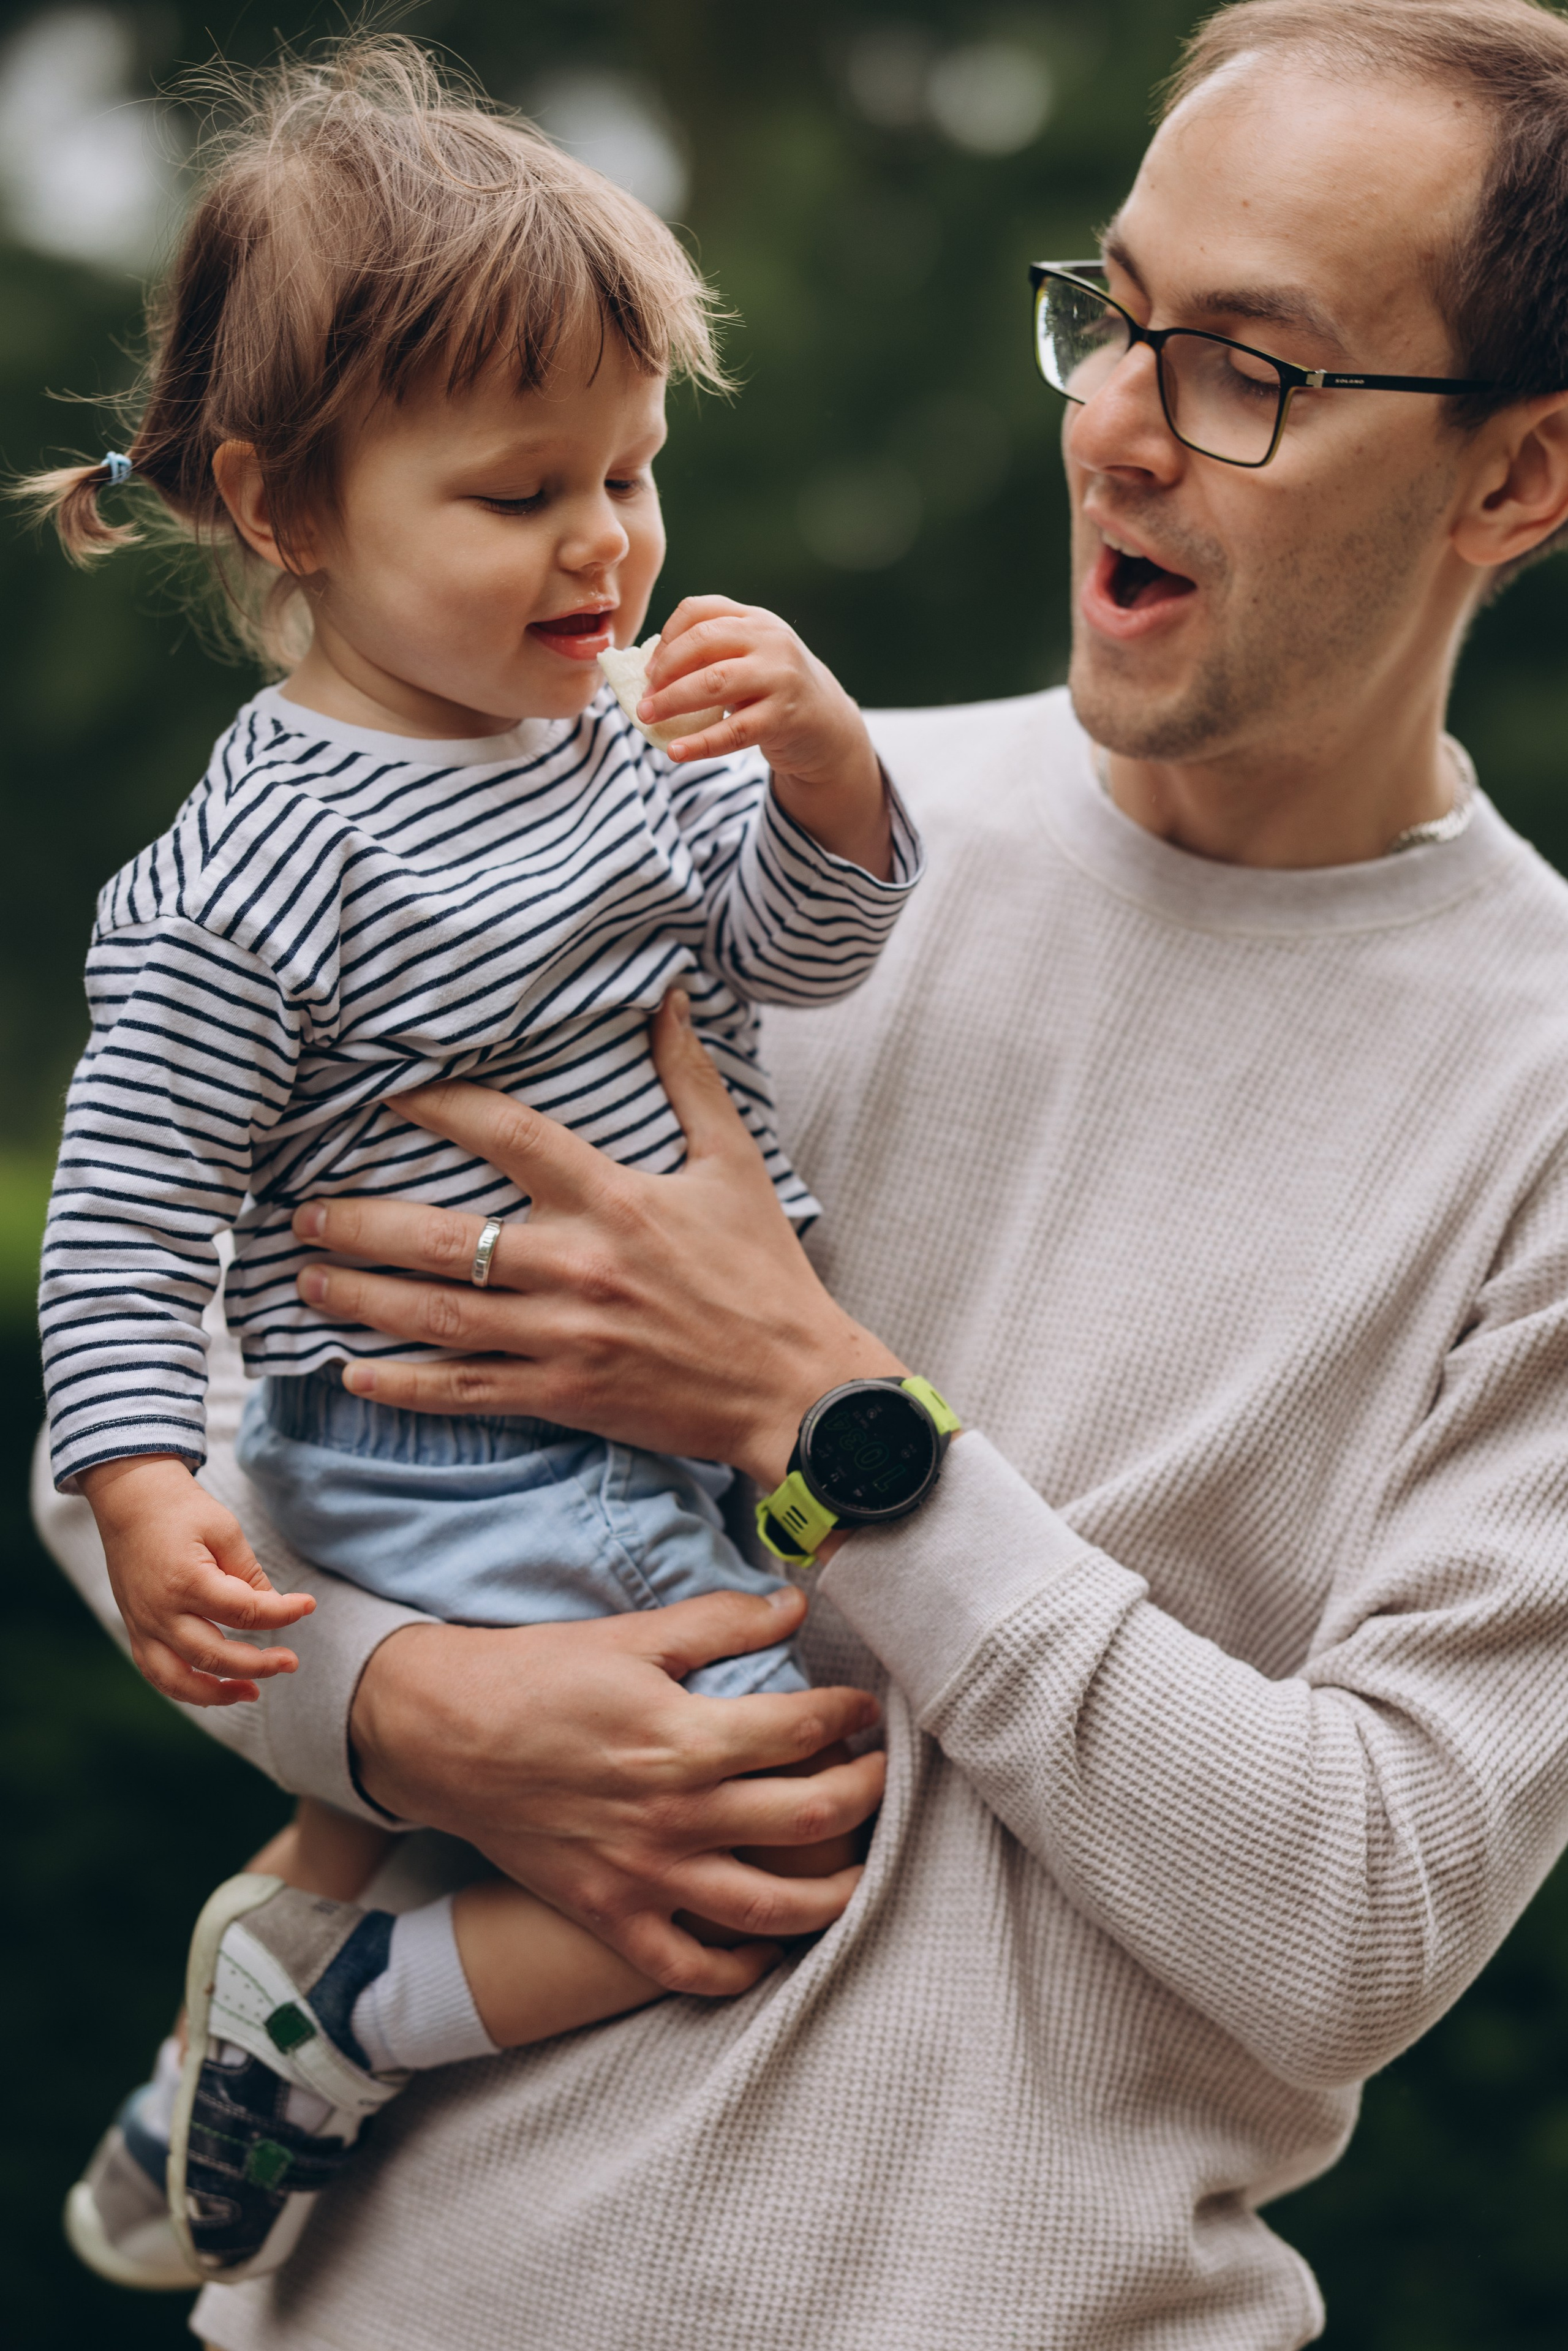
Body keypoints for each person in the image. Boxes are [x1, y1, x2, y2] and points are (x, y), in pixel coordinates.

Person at [39, 0, 1568, 2342]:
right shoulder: (668, 817)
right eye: (1113, 317)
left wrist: (831, 1421)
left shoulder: (1536, 1097)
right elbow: (183, 1377)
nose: (1121, 428)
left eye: (1251, 364)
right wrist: (392, 1707)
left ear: (1520, 476)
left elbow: (1354, 1920)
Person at [23, 35, 921, 2291]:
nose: (609, 543)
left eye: (632, 472)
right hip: (457, 1469)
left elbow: (789, 952)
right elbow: (127, 1231)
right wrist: (143, 1490)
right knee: (792, 1813)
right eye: (526, 495)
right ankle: (347, 2022)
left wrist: (825, 782)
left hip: (662, 1424)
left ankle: (184, 2103)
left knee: (811, 1595)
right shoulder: (251, 875)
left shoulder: (615, 735)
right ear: (285, 504)